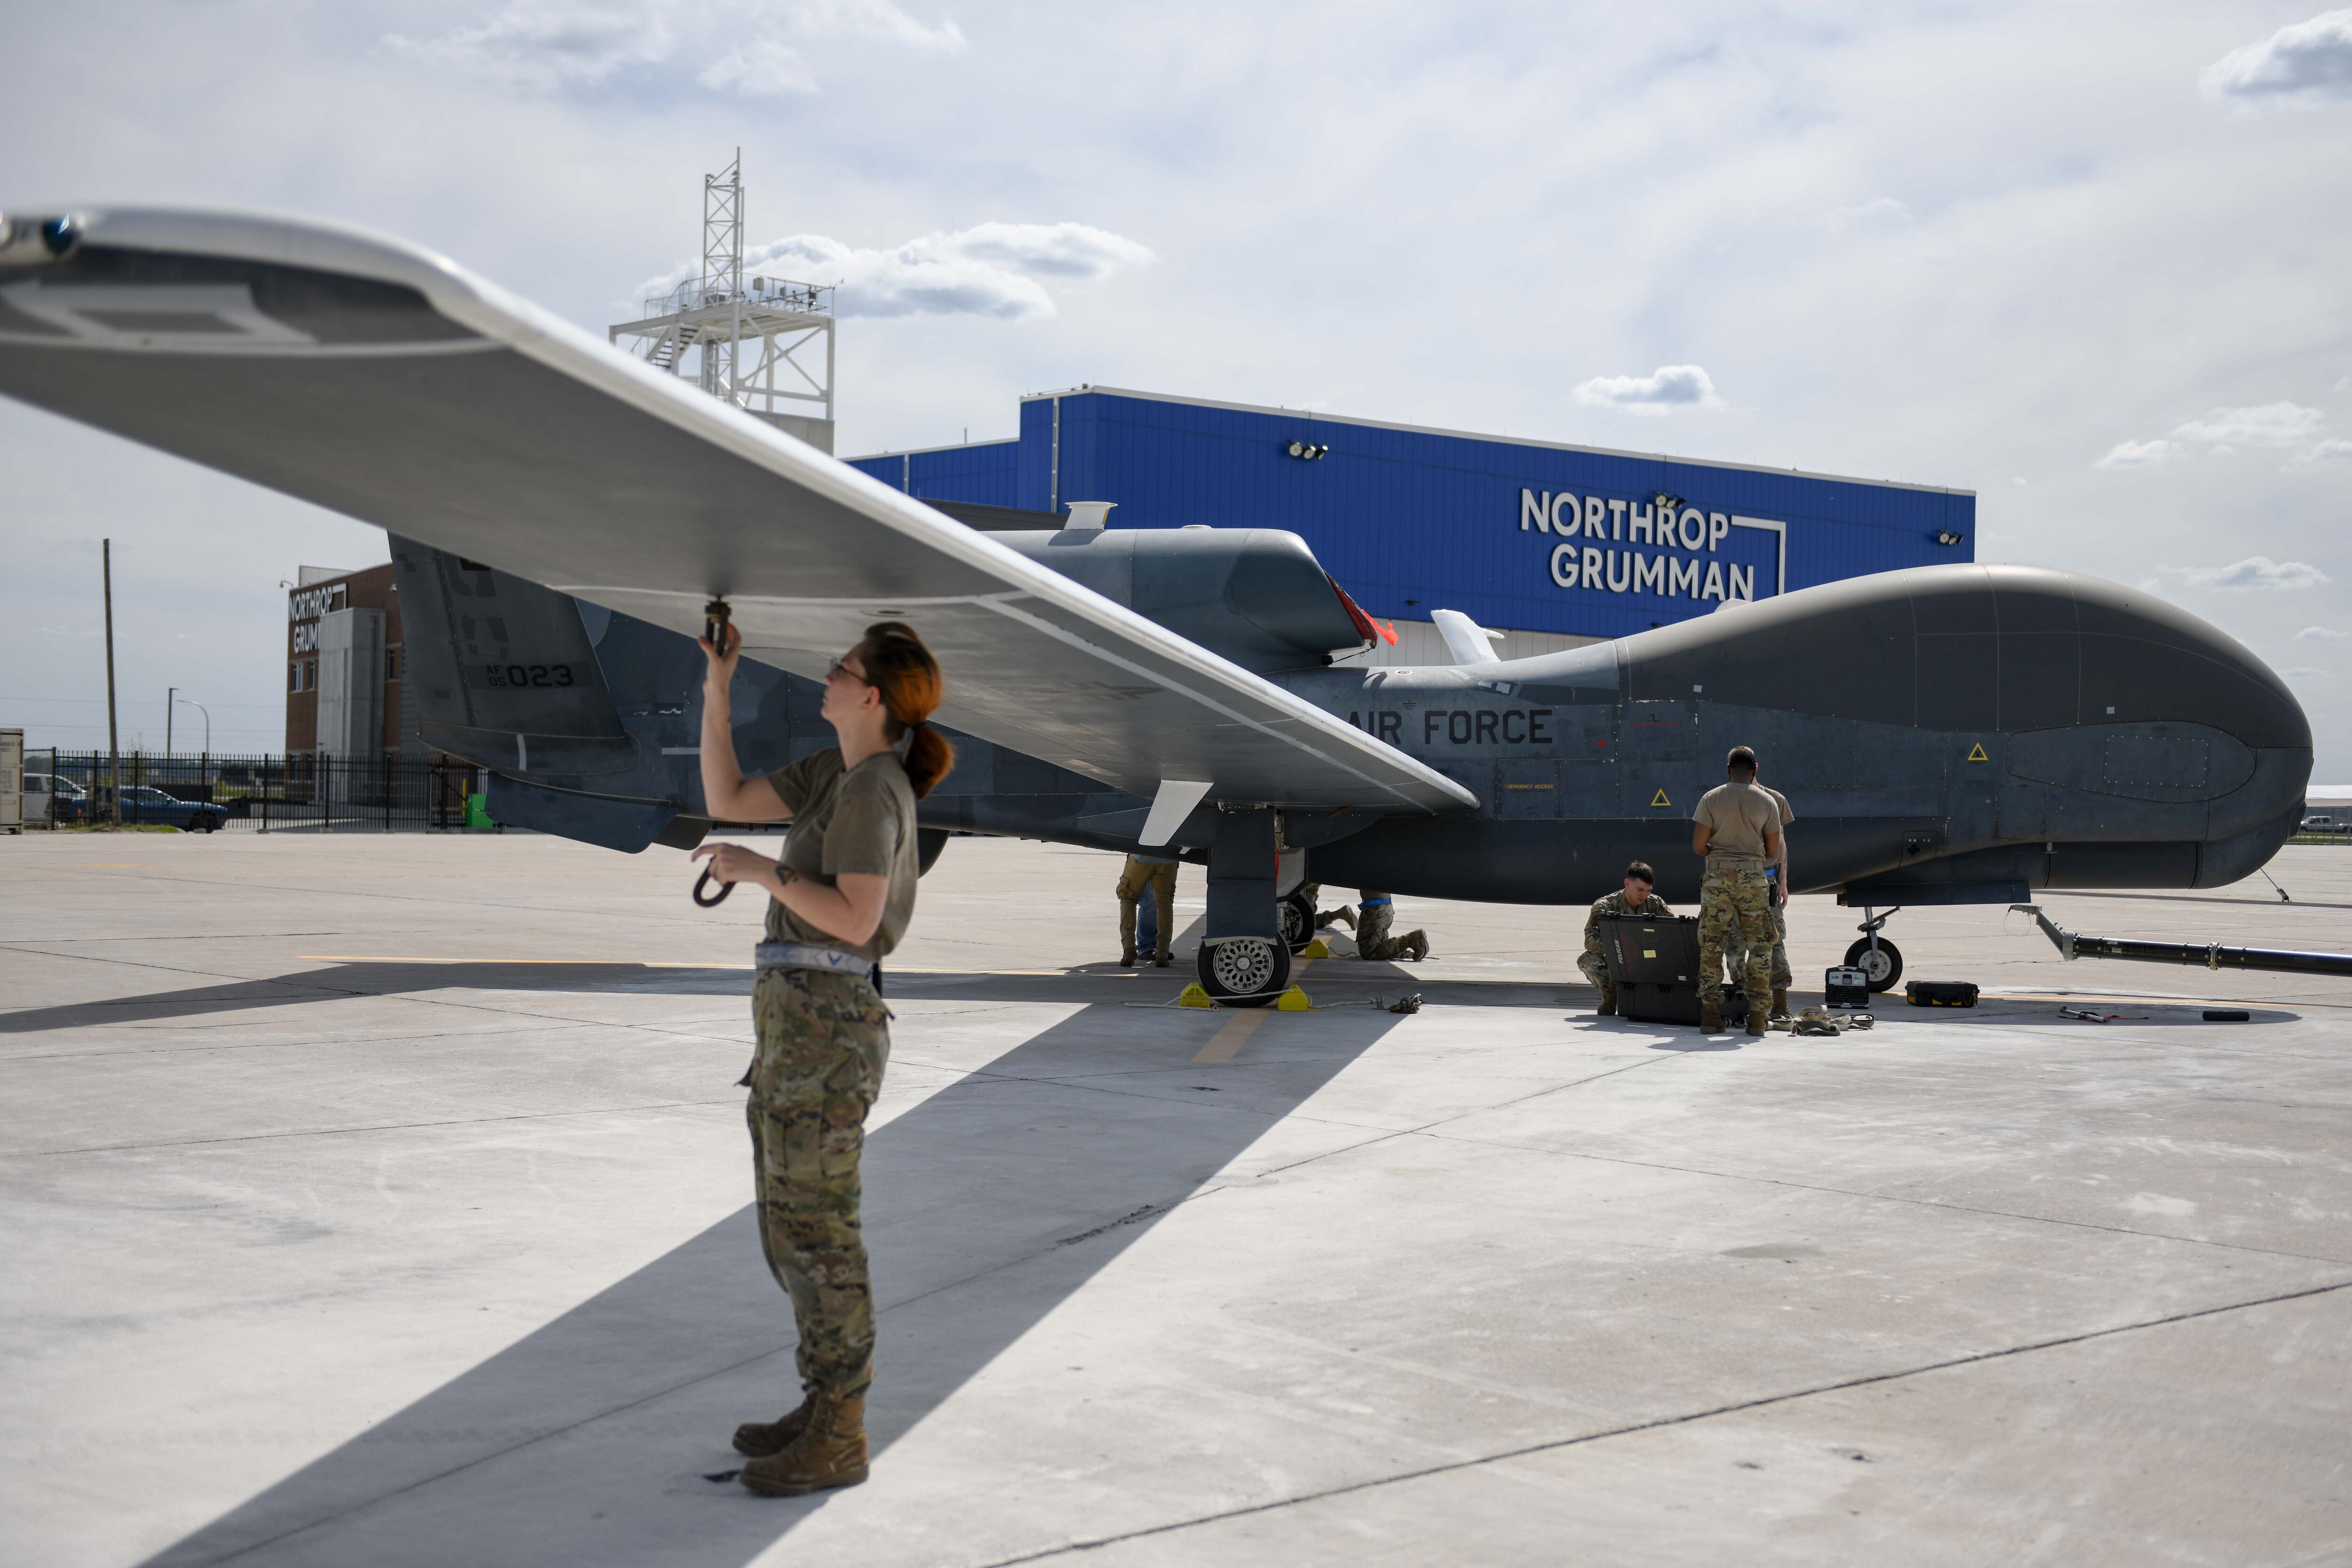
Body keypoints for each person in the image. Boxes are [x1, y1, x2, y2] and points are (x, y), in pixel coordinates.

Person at [690, 619, 954, 1497]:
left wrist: (761, 872)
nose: (827, 675)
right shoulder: (831, 774)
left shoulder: (875, 790)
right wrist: (717, 683)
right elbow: (725, 789)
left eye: (841, 669)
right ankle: (823, 1399)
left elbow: (854, 917)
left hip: (829, 1030)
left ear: (872, 695)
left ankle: (842, 1428)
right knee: (787, 1227)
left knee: (820, 1235)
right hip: (796, 1028)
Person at [1691, 745, 1781, 1037]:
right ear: (1755, 770)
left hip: (1717, 877)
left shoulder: (1711, 798)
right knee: (1761, 946)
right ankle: (1757, 1017)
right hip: (1754, 879)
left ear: (1728, 769)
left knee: (1712, 945)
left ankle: (1710, 1014)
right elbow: (1772, 851)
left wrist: (1719, 855)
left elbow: (1698, 846)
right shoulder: (1768, 802)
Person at [1724, 770, 1795, 1021]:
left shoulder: (1775, 800)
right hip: (1734, 883)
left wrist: (1784, 882)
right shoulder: (1724, 799)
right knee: (1734, 945)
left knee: (1774, 942)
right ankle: (1746, 1001)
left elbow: (1782, 844)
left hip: (1766, 883)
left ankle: (1779, 1003)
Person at [1579, 860, 1673, 1016]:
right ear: (1627, 883)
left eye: (1648, 891)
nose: (1644, 895)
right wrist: (1619, 948)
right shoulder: (1605, 906)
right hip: (1617, 957)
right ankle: (1611, 994)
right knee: (1588, 961)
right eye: (1640, 890)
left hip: (1647, 956)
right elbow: (1590, 941)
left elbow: (1672, 934)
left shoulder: (1655, 904)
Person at [1116, 851, 1177, 967]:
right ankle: (1162, 954)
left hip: (1141, 857)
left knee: (1128, 899)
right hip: (1168, 859)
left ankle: (1129, 949)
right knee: (1165, 905)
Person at [1351, 891, 1430, 962]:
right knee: (1372, 946)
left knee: (1369, 952)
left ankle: (1412, 940)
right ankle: (1398, 949)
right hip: (1380, 907)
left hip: (1377, 909)